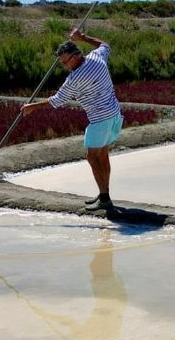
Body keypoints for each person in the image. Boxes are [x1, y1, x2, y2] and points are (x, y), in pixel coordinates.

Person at [20, 27, 122, 209]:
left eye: (65, 62)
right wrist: (82, 37)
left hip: (100, 119)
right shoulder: (97, 58)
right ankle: (103, 193)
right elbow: (104, 45)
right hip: (114, 114)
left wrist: (32, 107)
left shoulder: (75, 79)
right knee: (102, 155)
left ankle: (105, 199)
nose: (64, 66)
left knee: (92, 157)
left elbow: (56, 101)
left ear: (74, 57)